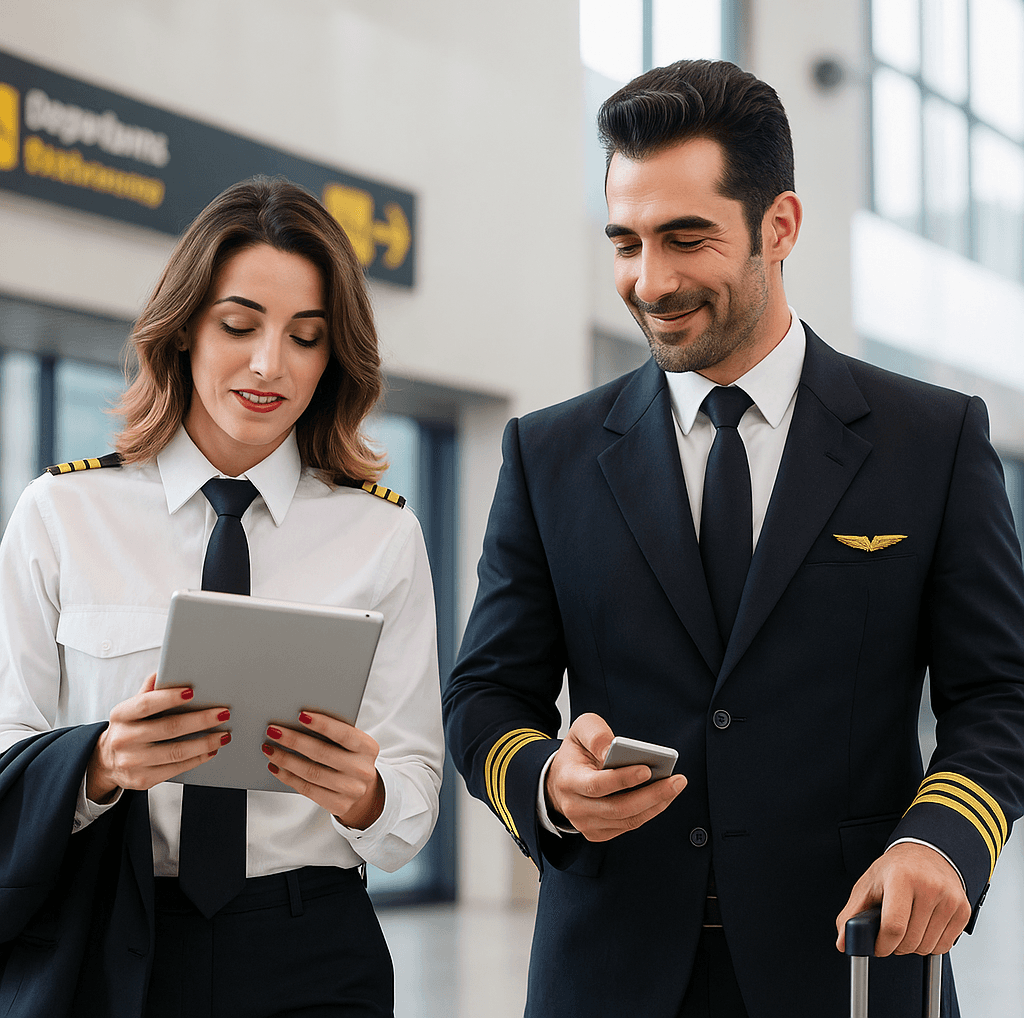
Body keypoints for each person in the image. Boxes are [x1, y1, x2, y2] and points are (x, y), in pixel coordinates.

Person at [442, 60, 1024, 1018]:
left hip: (848, 965)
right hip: (609, 972)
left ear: (779, 225)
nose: (650, 280)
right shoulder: (547, 454)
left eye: (685, 237)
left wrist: (942, 842)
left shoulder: (933, 440)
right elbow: (485, 693)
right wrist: (547, 780)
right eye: (624, 242)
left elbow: (998, 693)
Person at [0, 176, 444, 1018]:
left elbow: (414, 797)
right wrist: (98, 766)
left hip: (310, 948)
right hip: (107, 943)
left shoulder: (381, 536)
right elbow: (7, 755)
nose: (270, 364)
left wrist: (366, 794)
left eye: (306, 338)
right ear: (183, 332)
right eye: (239, 325)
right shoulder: (61, 515)